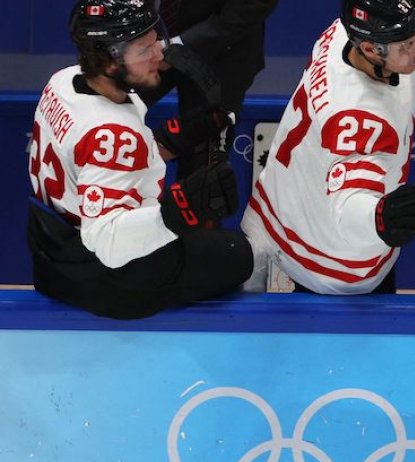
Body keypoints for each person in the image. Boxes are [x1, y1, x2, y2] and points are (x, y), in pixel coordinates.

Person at [26, 0, 251, 319]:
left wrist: (179, 136)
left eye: (154, 42)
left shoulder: (64, 82)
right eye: (144, 51)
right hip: (108, 279)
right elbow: (107, 243)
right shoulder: (114, 136)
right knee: (241, 255)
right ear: (108, 61)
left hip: (51, 251)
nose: (159, 55)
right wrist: (181, 209)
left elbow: (95, 162)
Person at [241, 0, 415, 294]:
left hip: (283, 203)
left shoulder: (343, 34)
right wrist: (379, 217)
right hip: (325, 259)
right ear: (370, 50)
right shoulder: (358, 120)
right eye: (407, 44)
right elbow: (348, 205)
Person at [140, 0, 278, 180]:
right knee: (108, 116)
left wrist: (178, 47)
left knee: (201, 170)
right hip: (141, 40)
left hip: (223, 54)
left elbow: (253, 6)